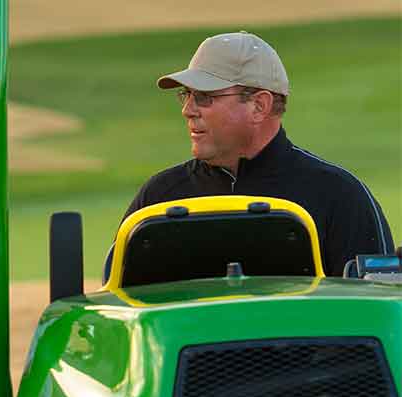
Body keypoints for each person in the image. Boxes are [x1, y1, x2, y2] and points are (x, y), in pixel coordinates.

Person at [103, 31, 395, 282]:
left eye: (204, 97)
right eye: (186, 95)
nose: (188, 110)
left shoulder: (339, 196)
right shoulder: (158, 197)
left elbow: (375, 313)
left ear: (259, 105)